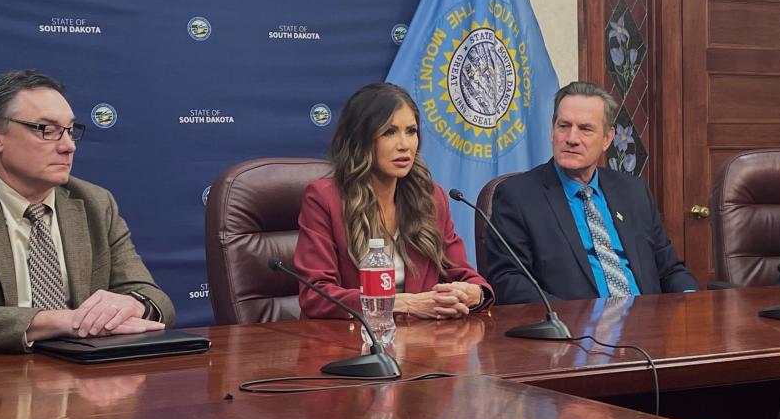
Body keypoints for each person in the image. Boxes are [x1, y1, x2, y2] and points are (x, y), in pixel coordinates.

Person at [0, 70, 174, 353]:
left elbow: (155, 299)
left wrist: (135, 304)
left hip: (85, 378)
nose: (68, 146)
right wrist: (60, 321)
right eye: (46, 130)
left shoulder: (95, 203)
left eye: (70, 130)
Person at [483, 81, 697, 304]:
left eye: (585, 129)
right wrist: (568, 318)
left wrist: (693, 305)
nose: (572, 139)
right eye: (563, 126)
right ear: (552, 130)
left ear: (607, 139)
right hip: (573, 330)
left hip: (649, 325)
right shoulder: (518, 196)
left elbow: (670, 270)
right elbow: (508, 280)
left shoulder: (633, 192)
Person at [293, 82, 493, 320]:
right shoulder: (325, 199)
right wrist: (403, 304)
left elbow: (463, 273)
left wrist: (474, 294)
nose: (404, 145)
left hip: (422, 344)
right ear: (361, 139)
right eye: (389, 132)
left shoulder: (430, 198)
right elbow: (316, 295)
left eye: (411, 131)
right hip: (351, 344)